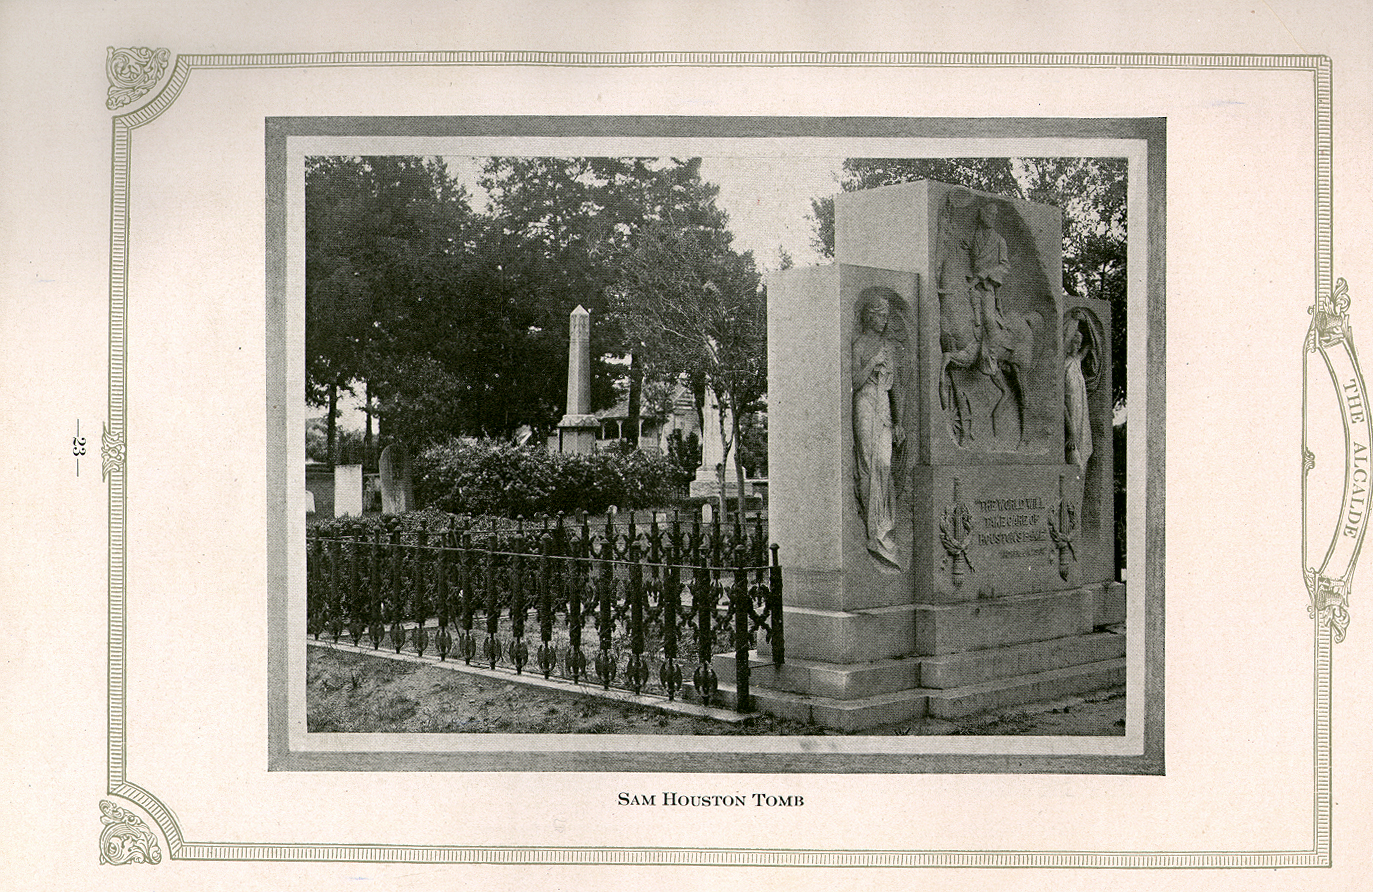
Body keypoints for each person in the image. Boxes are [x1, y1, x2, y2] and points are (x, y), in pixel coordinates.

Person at [852, 287, 905, 569]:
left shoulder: (889, 348)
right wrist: (872, 362)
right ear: (869, 316)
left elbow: (894, 388)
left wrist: (898, 421)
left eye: (886, 315)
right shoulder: (860, 345)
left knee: (884, 464)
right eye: (880, 315)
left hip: (883, 405)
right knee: (870, 464)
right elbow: (855, 383)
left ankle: (884, 529)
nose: (884, 320)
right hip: (864, 403)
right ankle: (873, 532)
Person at [1064, 320, 1093, 471]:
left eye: (1079, 342)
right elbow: (1061, 402)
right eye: (1074, 342)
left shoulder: (1077, 361)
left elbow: (1089, 345)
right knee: (1074, 461)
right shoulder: (1064, 364)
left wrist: (1083, 320)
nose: (1078, 345)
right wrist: (1071, 432)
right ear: (1068, 342)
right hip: (1070, 417)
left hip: (1081, 414)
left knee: (1083, 455)